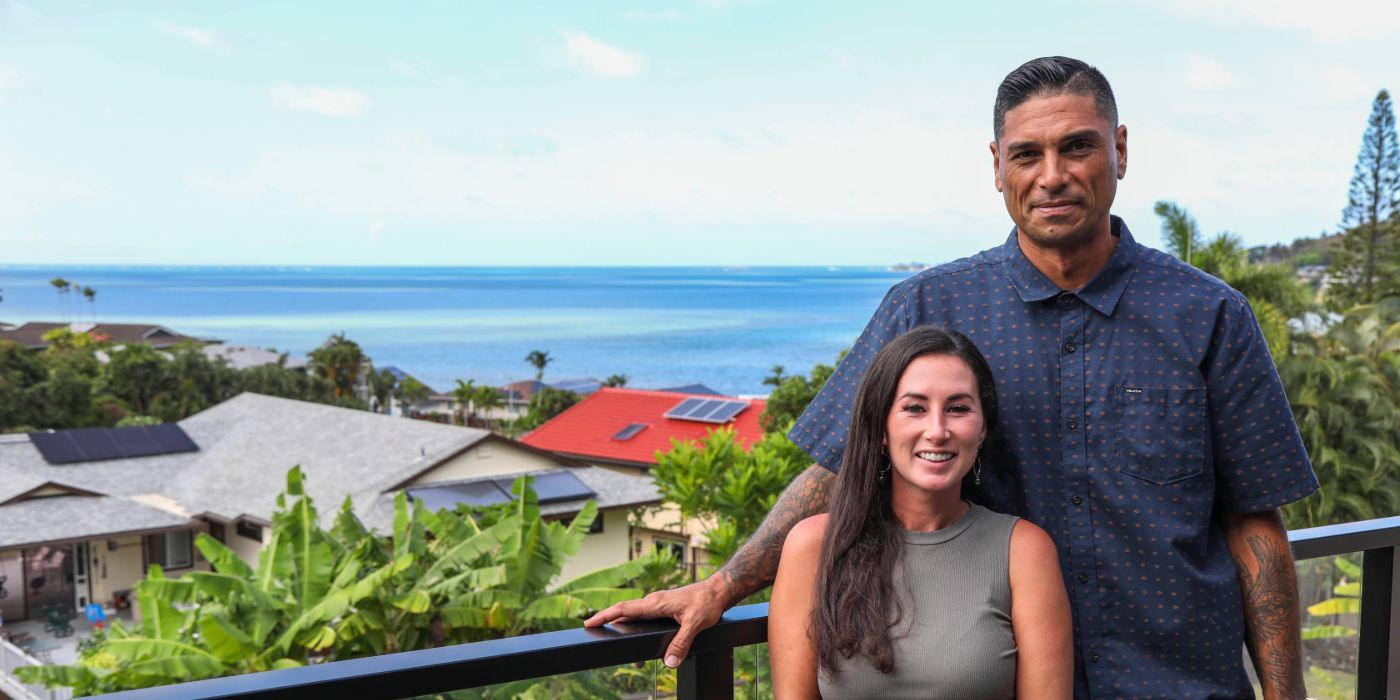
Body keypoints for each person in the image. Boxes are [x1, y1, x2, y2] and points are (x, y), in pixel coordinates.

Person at [588, 56, 1319, 699]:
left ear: (1120, 152)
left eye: (1078, 147)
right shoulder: (930, 306)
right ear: (997, 166)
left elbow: (1253, 522)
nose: (1052, 175)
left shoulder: (1209, 315)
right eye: (1027, 154)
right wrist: (723, 584)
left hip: (1178, 683)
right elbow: (837, 471)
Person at [769, 326, 1071, 698]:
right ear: (881, 428)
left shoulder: (1024, 551)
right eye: (914, 408)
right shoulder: (814, 546)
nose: (937, 430)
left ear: (982, 429)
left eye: (958, 408)